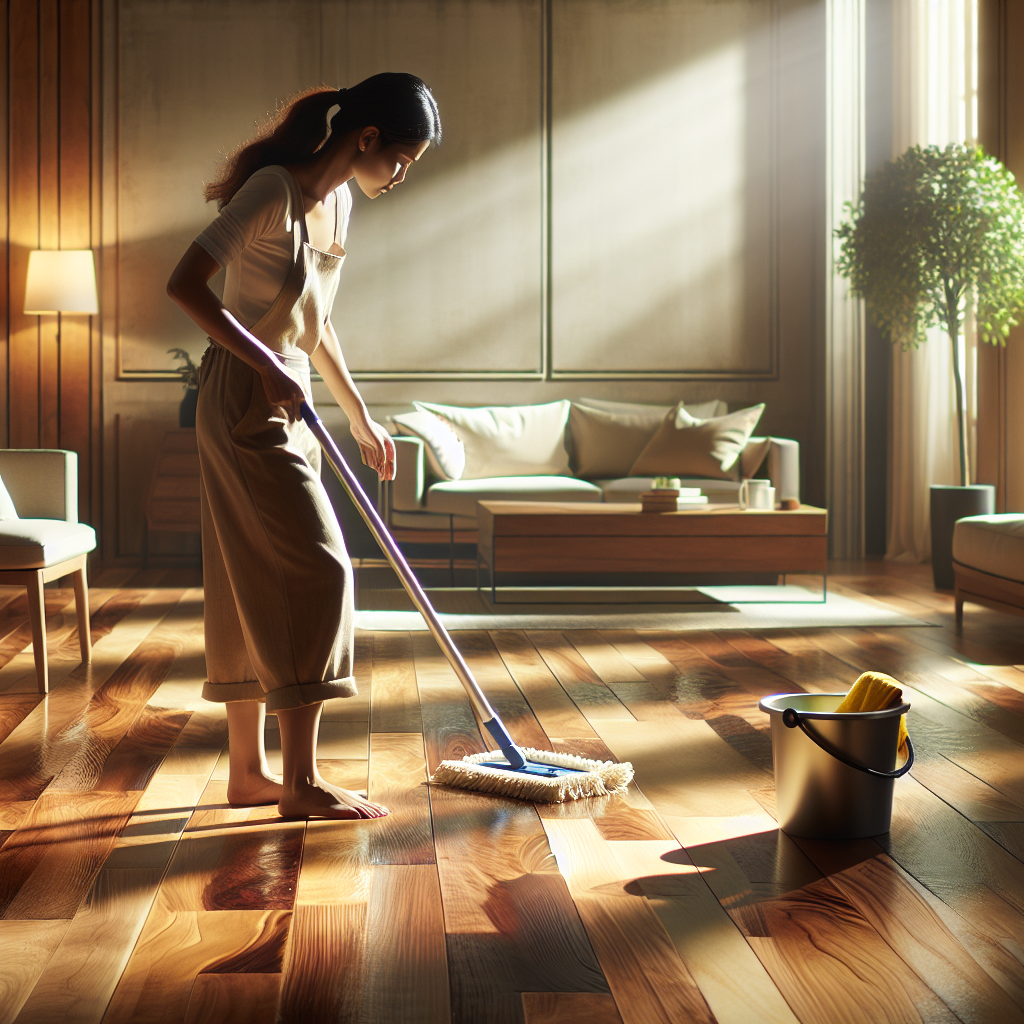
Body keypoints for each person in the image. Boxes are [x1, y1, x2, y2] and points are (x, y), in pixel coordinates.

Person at [167, 73, 441, 820]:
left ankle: (248, 775)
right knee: (319, 571)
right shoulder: (272, 193)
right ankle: (301, 782)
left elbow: (315, 324)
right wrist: (262, 365)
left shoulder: (341, 202)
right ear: (367, 138)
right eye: (404, 159)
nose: (403, 174)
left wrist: (361, 414)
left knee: (248, 574)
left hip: (295, 398)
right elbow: (186, 285)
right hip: (242, 398)